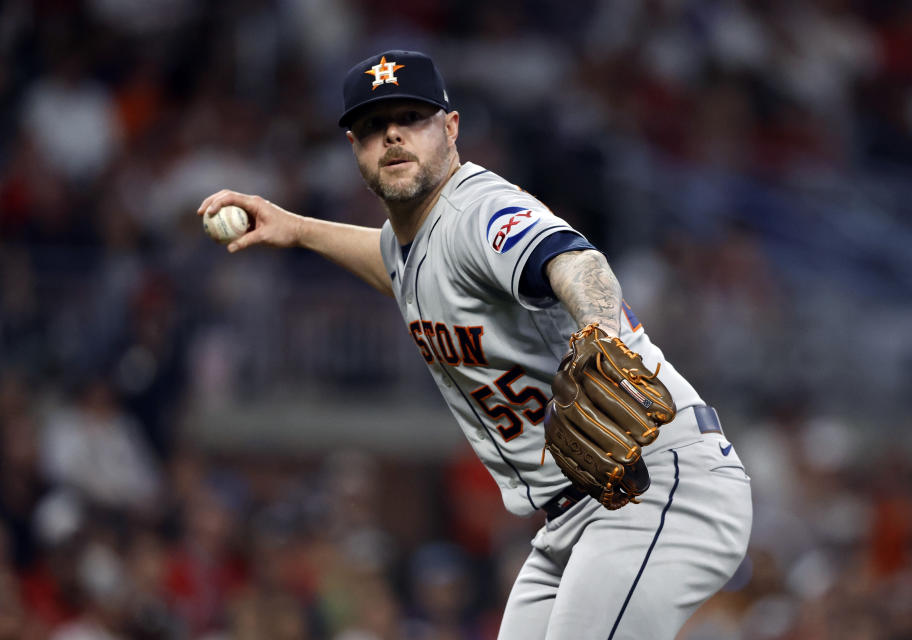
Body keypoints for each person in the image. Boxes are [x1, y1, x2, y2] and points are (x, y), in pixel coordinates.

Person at [198, 50, 753, 640]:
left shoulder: (481, 211)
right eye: (371, 127)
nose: (391, 135)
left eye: (412, 117)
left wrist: (599, 329)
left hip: (655, 485)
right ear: (355, 150)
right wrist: (299, 228)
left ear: (451, 128)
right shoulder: (411, 238)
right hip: (577, 518)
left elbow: (575, 261)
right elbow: (399, 264)